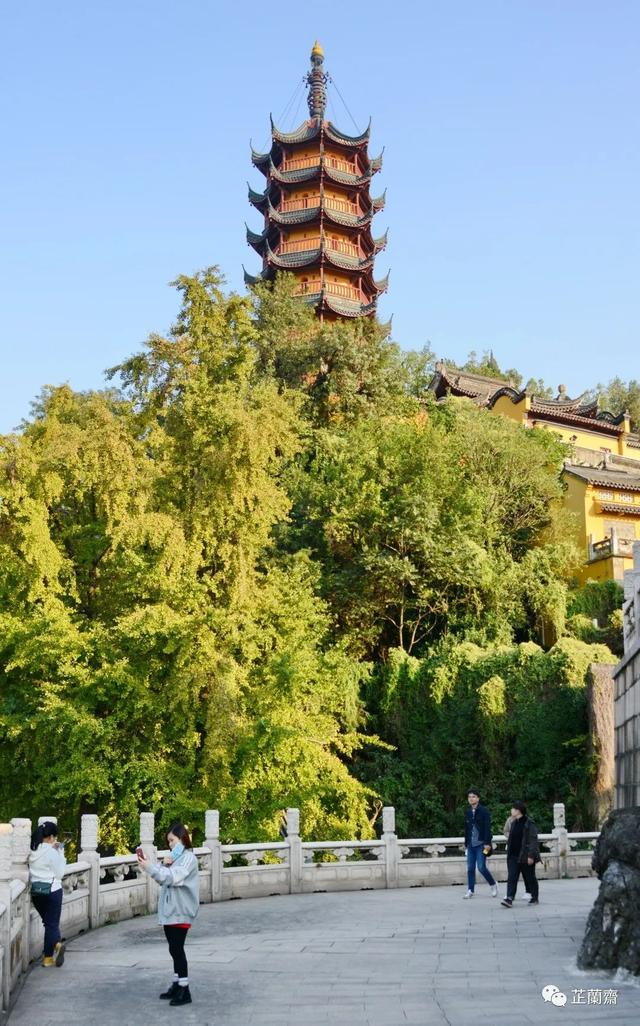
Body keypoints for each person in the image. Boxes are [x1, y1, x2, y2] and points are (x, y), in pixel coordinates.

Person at [138, 822, 199, 1006]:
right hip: (170, 911)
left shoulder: (188, 859)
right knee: (173, 949)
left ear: (182, 838)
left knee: (177, 949)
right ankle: (176, 984)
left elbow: (171, 878)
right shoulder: (174, 858)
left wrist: (151, 867)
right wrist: (159, 865)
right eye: (169, 841)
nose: (170, 844)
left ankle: (184, 989)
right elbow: (163, 878)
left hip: (180, 910)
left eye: (172, 840)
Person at [29, 821, 67, 967]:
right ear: (51, 837)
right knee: (52, 924)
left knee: (48, 923)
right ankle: (54, 949)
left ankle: (50, 955)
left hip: (37, 893)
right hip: (52, 891)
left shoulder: (33, 849)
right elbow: (60, 874)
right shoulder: (52, 852)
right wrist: (61, 853)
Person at [501, 801, 540, 907]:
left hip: (525, 856)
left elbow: (533, 840)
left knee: (530, 877)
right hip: (513, 855)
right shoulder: (513, 823)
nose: (511, 810)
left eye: (513, 809)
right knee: (512, 877)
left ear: (518, 810)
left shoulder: (529, 823)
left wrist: (531, 855)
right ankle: (509, 898)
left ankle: (534, 897)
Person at [463, 789, 497, 898]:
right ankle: (470, 890)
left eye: (473, 796)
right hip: (471, 845)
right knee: (470, 868)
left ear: (478, 798)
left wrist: (487, 843)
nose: (471, 799)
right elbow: (467, 829)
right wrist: (466, 844)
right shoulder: (468, 812)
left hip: (482, 844)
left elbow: (487, 828)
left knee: (481, 867)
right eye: (469, 797)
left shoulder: (484, 811)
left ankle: (493, 884)